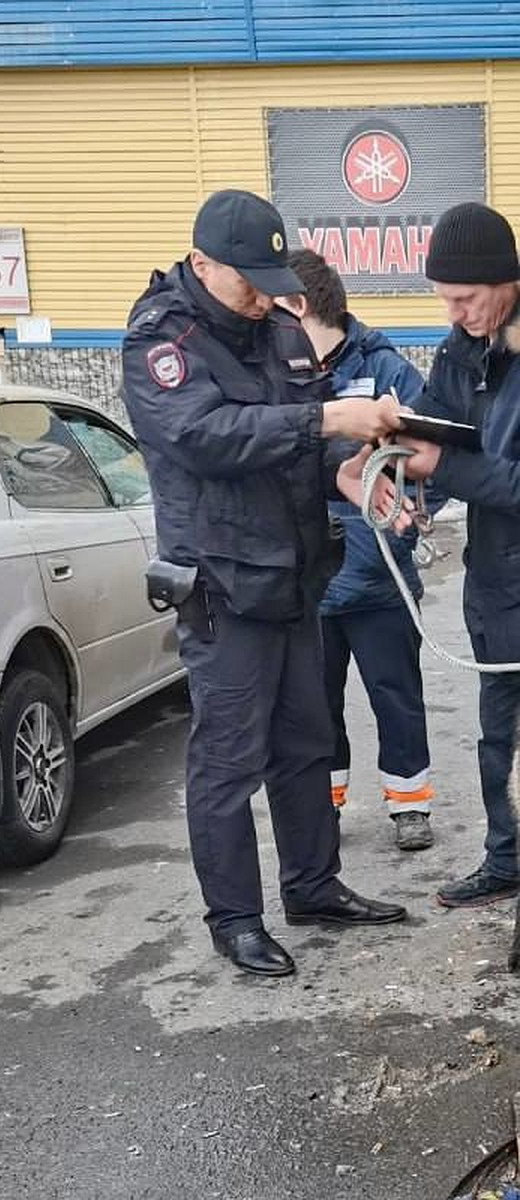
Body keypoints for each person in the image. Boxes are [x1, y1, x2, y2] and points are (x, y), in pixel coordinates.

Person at [122, 188, 409, 980]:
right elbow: (204, 437)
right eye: (245, 277)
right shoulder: (160, 341)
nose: (262, 292)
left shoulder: (280, 330)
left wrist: (350, 475)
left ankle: (313, 887)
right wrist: (326, 425)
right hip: (220, 586)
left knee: (306, 745)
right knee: (228, 761)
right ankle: (236, 920)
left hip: (292, 577)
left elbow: (303, 444)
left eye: (268, 276)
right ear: (201, 261)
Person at [279, 249, 436, 852]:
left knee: (396, 696)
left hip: (378, 578)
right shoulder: (279, 371)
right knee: (315, 707)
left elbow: (430, 460)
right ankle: (326, 802)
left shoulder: (387, 371)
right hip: (308, 582)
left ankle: (409, 802)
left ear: (300, 305)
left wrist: (411, 516)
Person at [398, 201, 520, 907]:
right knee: (496, 740)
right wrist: (412, 486)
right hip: (496, 591)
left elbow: (464, 461)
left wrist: (441, 465)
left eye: (466, 298)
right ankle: (506, 862)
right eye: (444, 298)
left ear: (504, 281)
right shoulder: (463, 348)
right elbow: (439, 431)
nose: (455, 312)